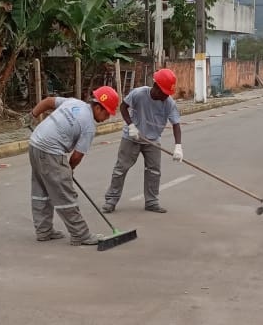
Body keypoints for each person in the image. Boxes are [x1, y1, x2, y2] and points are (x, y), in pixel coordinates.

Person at [27, 86, 119, 245]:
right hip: (50, 151)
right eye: (107, 113)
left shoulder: (73, 103)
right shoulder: (89, 126)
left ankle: (43, 230)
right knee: (65, 194)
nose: (107, 118)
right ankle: (80, 235)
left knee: (41, 190)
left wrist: (31, 115)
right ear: (98, 108)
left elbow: (48, 101)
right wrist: (69, 170)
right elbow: (77, 156)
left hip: (35, 144)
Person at [102, 68, 183, 214]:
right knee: (120, 169)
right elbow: (123, 107)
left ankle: (151, 202)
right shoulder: (139, 94)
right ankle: (111, 200)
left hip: (152, 140)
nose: (166, 96)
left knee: (154, 171)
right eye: (164, 92)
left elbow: (176, 124)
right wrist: (130, 125)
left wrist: (178, 146)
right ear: (156, 86)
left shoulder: (169, 103)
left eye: (168, 93)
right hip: (132, 137)